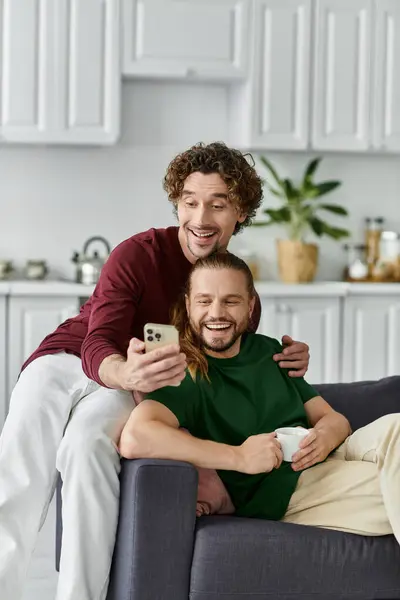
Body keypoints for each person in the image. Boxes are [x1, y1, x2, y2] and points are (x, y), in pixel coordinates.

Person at [0, 142, 311, 600]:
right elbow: (97, 340)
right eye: (190, 202)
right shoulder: (138, 254)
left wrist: (286, 362)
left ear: (240, 212)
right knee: (20, 471)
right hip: (71, 364)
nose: (201, 218)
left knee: (88, 450)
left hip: (132, 392)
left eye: (217, 204)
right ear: (177, 203)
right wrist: (127, 375)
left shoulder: (237, 293)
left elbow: (227, 367)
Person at [120, 251, 400, 544]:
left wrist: (326, 434)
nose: (216, 313)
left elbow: (333, 418)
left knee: (397, 425)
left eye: (231, 301)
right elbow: (136, 437)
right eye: (204, 301)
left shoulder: (269, 351)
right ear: (189, 305)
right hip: (290, 489)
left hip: (332, 454)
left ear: (250, 305)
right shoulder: (183, 371)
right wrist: (238, 457)